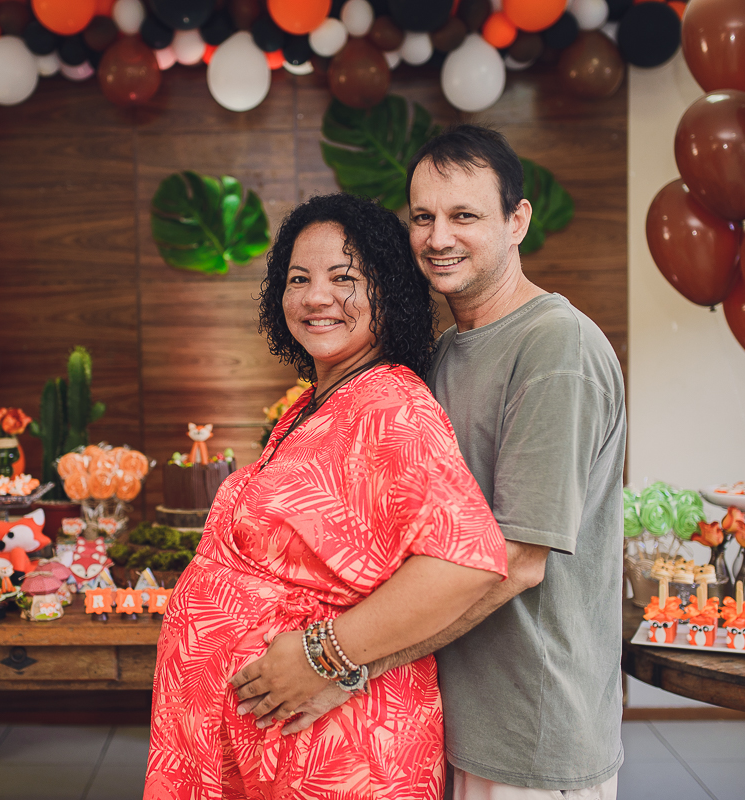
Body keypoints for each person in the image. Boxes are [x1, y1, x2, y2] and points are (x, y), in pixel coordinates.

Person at [243, 126, 627, 799]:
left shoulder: (555, 347)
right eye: (423, 217)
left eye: (464, 216)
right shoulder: (443, 354)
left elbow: (513, 560)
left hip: (529, 735)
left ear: (517, 221)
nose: (438, 237)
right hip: (441, 720)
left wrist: (333, 661)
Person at [144, 193, 508, 800]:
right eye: (298, 278)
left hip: (333, 747)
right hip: (265, 739)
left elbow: (467, 562)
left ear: (388, 290)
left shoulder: (393, 407)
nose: (316, 297)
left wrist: (323, 656)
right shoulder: (313, 405)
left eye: (344, 278)